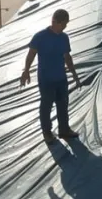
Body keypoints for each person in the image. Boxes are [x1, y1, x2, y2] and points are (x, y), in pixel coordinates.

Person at [20, 8, 81, 142]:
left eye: (66, 24)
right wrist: (26, 70)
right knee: (46, 106)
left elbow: (67, 57)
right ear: (55, 22)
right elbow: (31, 55)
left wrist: (74, 75)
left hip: (61, 79)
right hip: (46, 79)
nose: (65, 27)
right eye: (63, 24)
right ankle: (47, 133)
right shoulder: (40, 37)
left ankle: (64, 130)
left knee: (63, 105)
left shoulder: (64, 38)